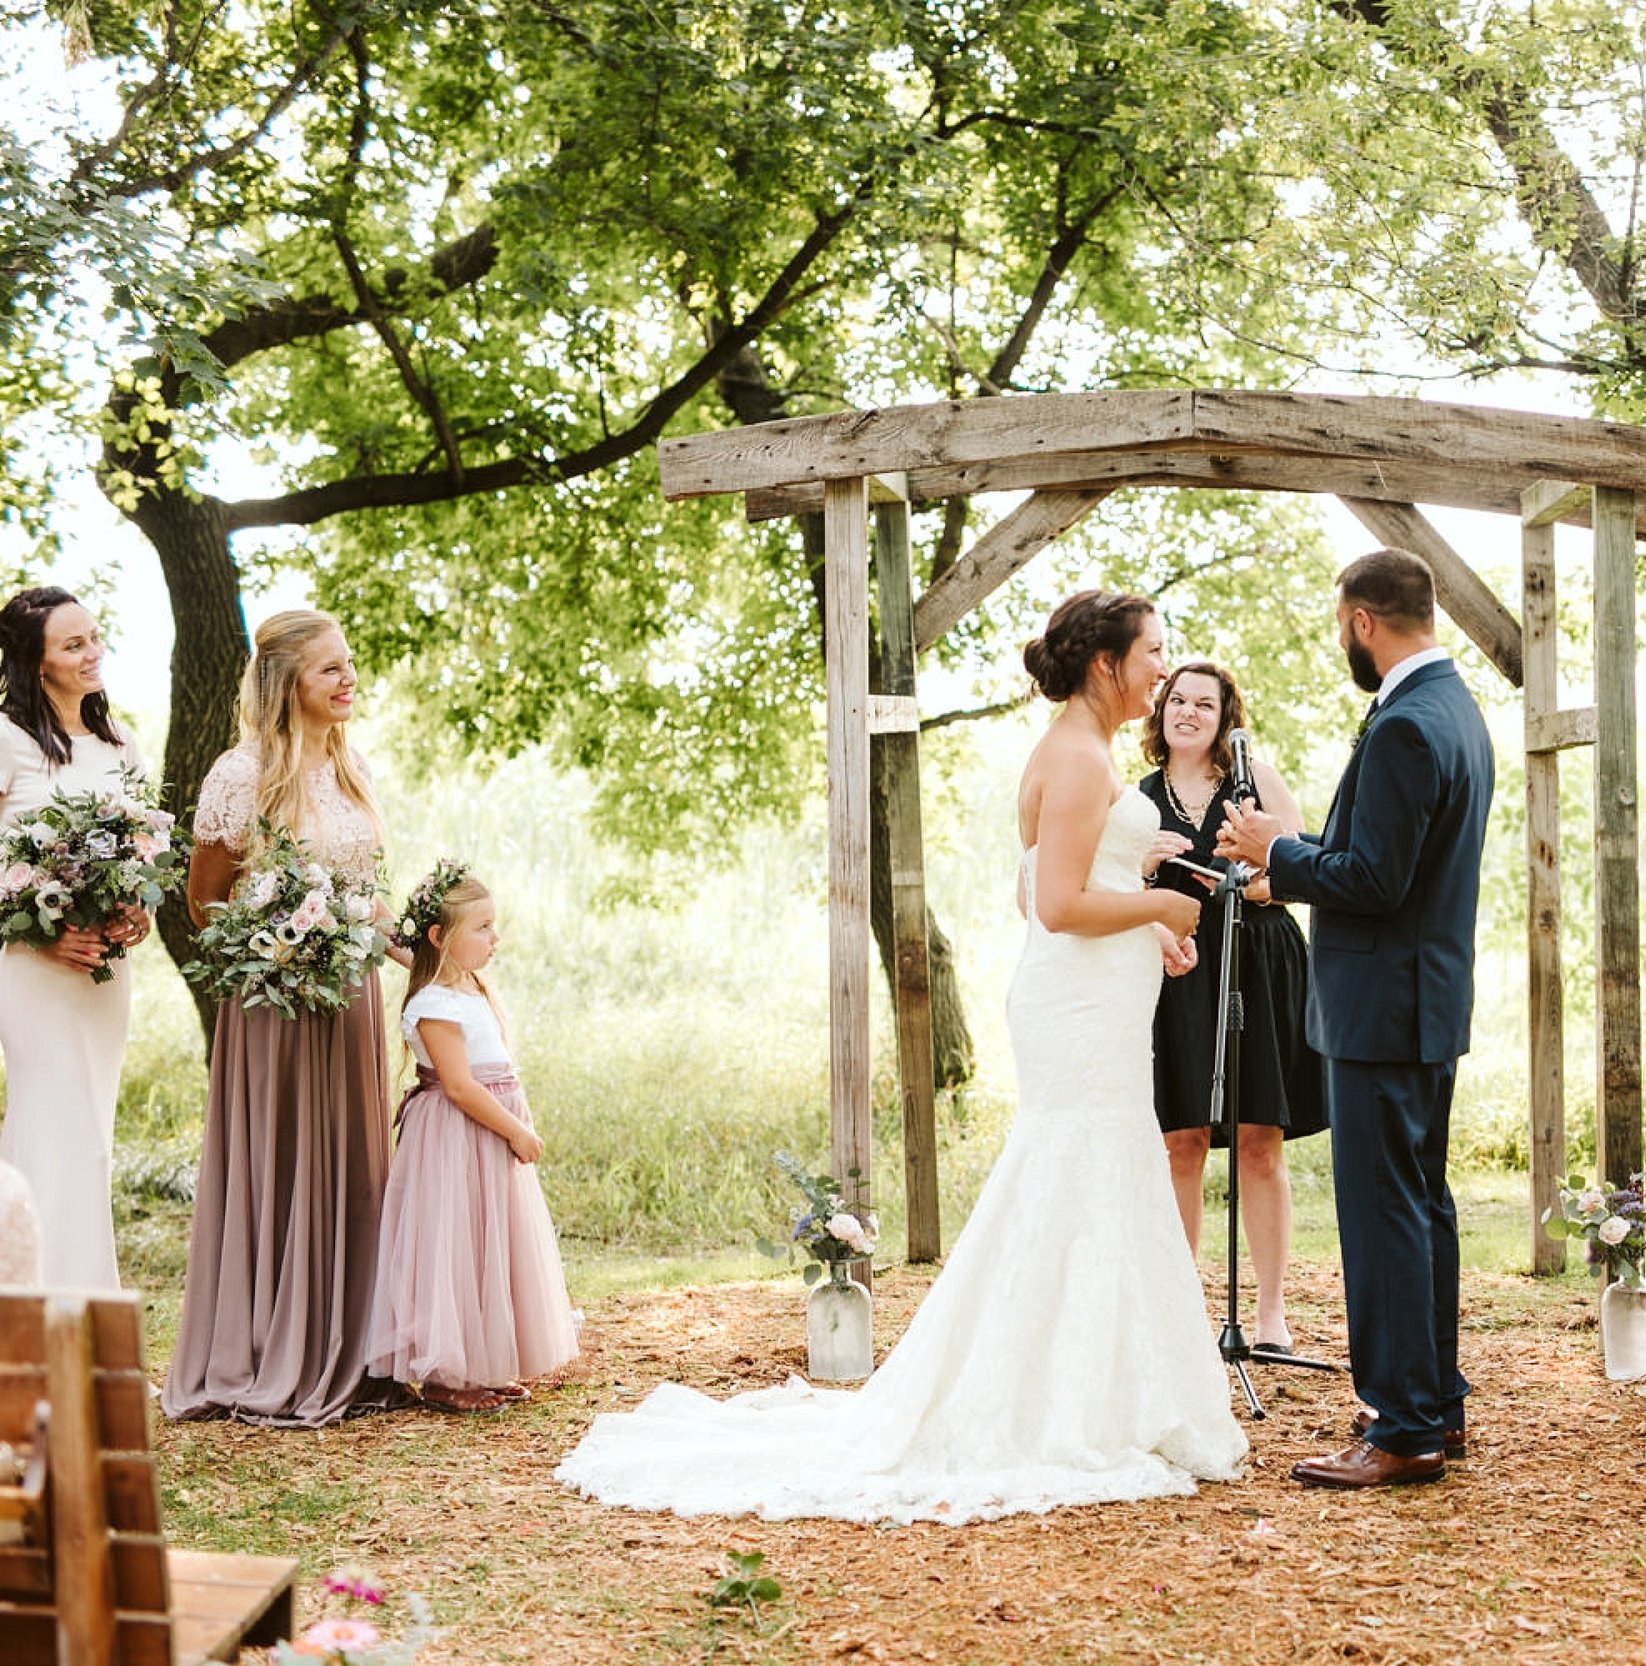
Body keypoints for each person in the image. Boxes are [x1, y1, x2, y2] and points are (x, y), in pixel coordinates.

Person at [557, 590, 1246, 1523]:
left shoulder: (1080, 752)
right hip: (1077, 1015)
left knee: (1099, 1176)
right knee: (1075, 1171)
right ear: (1105, 665)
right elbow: (1053, 905)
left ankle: (1101, 1382)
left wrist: (1145, 927)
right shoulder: (1079, 758)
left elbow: (1055, 882)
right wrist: (1164, 908)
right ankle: (1060, 1398)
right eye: (1153, 653)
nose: (1164, 669)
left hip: (1093, 1001)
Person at [1217, 547, 1496, 1490]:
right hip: (1420, 998)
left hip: (1383, 1006)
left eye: (1343, 625)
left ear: (1362, 622)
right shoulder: (1453, 708)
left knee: (1384, 1216)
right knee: (1421, 1208)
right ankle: (1436, 1403)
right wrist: (1289, 865)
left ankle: (1403, 1425)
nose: (1344, 639)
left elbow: (1375, 881)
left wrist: (1280, 850)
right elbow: (1389, 857)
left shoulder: (1408, 725)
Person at [162, 609, 400, 1427]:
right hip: (274, 1005)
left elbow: (366, 889)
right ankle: (271, 1348)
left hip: (352, 997)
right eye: (329, 670)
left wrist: (403, 938)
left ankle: (360, 1347)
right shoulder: (239, 774)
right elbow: (203, 902)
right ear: (285, 683)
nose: (348, 681)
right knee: (285, 1159)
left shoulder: (352, 766)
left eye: (349, 664)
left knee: (354, 1162)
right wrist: (276, 945)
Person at [1138, 659, 1327, 1355]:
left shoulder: (1253, 780)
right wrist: (1145, 870)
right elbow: (1112, 885)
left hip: (1258, 959)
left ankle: (1271, 1315)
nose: (1188, 712)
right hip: (1179, 967)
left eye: (1204, 704)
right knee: (1180, 1140)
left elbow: (1300, 865)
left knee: (1258, 1137)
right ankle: (1184, 1310)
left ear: (1225, 718)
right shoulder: (1134, 797)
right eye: (1176, 701)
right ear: (1160, 714)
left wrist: (1256, 887)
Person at [361, 866, 576, 1411]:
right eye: (481, 927)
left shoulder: (468, 986)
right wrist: (517, 1130)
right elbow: (457, 1084)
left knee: (485, 1245)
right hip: (459, 1134)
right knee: (452, 1246)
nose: (494, 938)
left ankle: (481, 1363)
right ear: (440, 936)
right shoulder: (433, 1002)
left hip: (484, 1132)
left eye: (493, 925)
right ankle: (444, 1376)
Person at [0, 587, 153, 1289]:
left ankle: (85, 1334)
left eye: (94, 637)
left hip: (104, 974)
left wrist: (135, 913)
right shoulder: (7, 740)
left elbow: (142, 853)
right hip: (33, 971)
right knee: (57, 1136)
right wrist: (40, 933)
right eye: (73, 645)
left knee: (93, 1139)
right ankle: (37, 1323)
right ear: (36, 664)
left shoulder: (121, 745)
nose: (93, 654)